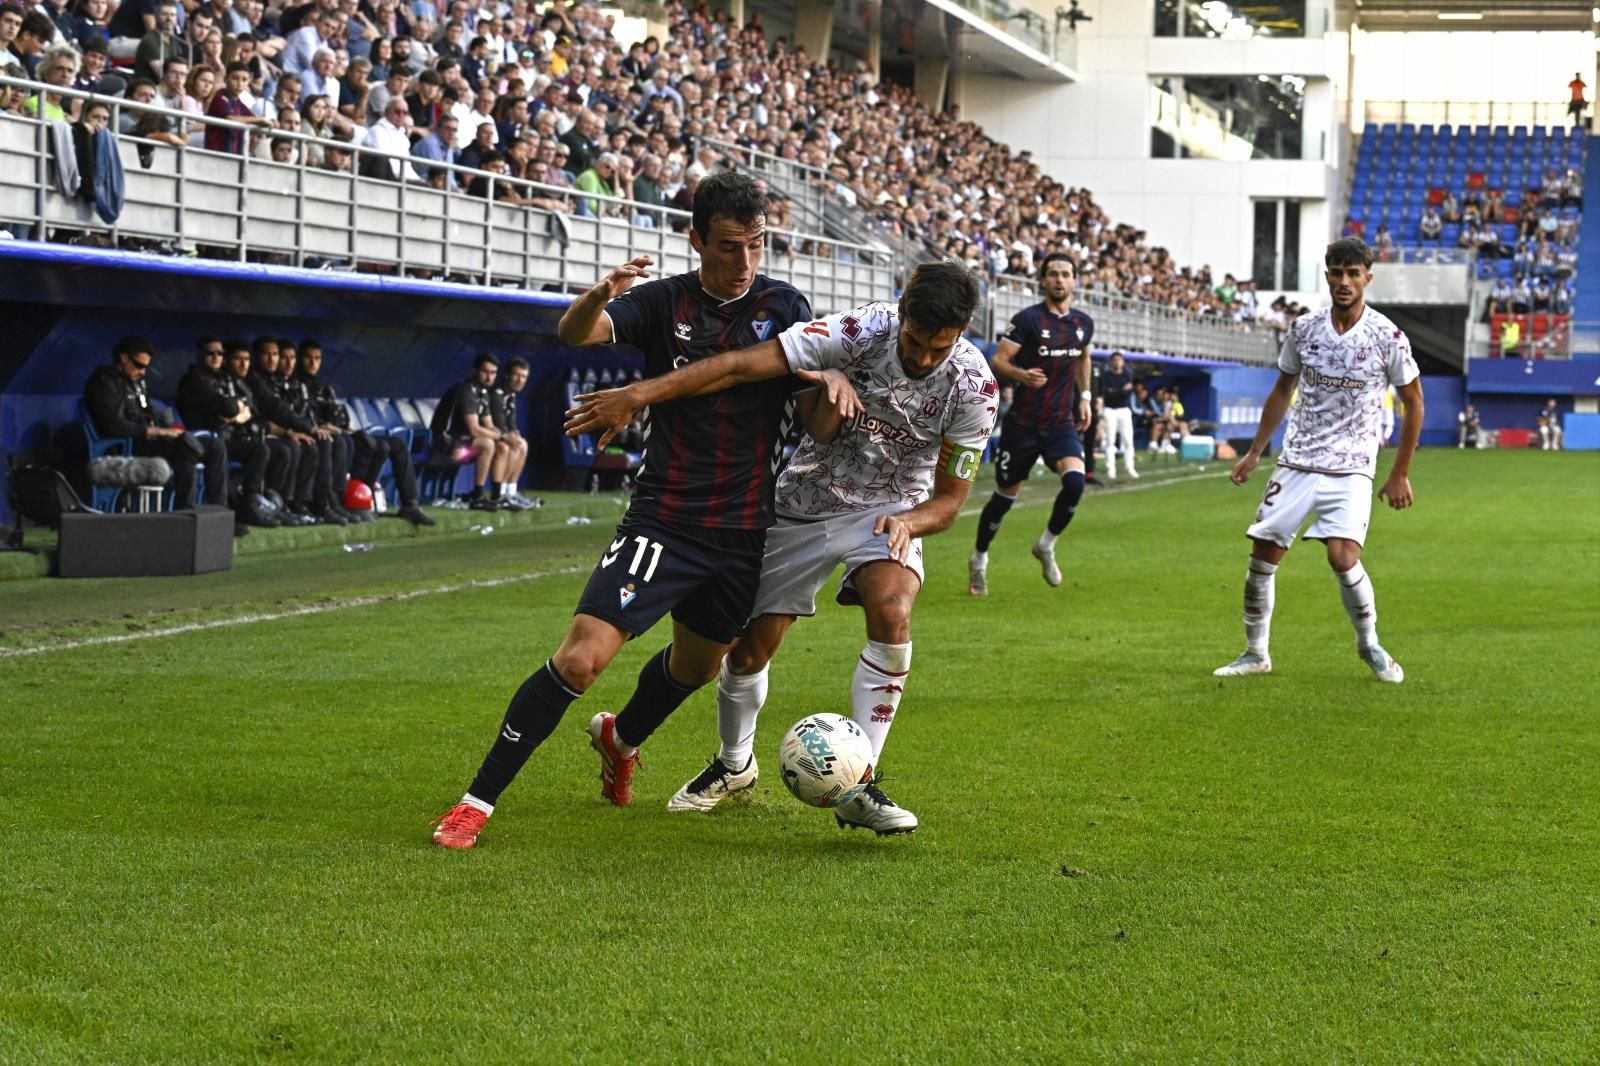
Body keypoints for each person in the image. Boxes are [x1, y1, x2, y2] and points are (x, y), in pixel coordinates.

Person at [430, 171, 814, 850]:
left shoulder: (785, 305)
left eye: (756, 244)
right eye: (729, 246)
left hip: (744, 531)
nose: (744, 261)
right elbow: (576, 333)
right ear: (695, 240)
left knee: (697, 668)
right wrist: (600, 295)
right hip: (664, 517)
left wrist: (831, 376)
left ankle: (620, 736)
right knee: (580, 660)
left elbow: (798, 380)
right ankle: (475, 803)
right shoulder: (666, 302)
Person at [569, 263, 997, 833]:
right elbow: (742, 365)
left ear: (963, 329)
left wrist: (910, 524)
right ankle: (732, 766)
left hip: (888, 512)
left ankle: (858, 783)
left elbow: (949, 501)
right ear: (900, 310)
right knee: (745, 654)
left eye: (936, 348)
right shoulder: (856, 332)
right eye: (914, 342)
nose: (922, 359)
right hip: (803, 502)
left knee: (892, 610)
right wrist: (640, 395)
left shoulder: (976, 387)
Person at [1214, 237, 1422, 684]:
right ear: (1326, 274)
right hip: (1298, 460)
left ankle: (1369, 644)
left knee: (1342, 556)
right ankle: (1255, 653)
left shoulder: (1387, 336)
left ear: (1368, 277)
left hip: (1352, 465)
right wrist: (1254, 452)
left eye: (1353, 273)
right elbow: (1281, 390)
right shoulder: (1304, 328)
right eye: (1336, 272)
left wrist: (1400, 472)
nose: (1344, 281)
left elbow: (1414, 401)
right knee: (1262, 556)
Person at [968, 252, 1093, 597]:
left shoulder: (1083, 324)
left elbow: (1083, 357)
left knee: (1075, 483)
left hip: (1059, 424)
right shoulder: (1028, 320)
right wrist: (1021, 374)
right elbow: (998, 360)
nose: (1059, 280)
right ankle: (979, 560)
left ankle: (1046, 545)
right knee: (1004, 498)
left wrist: (1085, 398)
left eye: (1066, 274)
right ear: (1042, 281)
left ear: (1074, 281)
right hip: (1022, 426)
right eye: (1053, 274)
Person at [83, 336, 228, 514]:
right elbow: (114, 426)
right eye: (139, 366)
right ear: (124, 358)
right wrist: (155, 431)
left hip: (152, 440)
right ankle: (184, 510)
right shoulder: (104, 383)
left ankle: (219, 510)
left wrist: (166, 426)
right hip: (130, 444)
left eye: (146, 367)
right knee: (186, 445)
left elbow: (146, 410)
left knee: (215, 445)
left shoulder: (137, 384)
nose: (143, 372)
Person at [177, 335, 275, 530]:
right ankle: (221, 514)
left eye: (220, 354)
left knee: (260, 449)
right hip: (200, 440)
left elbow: (246, 409)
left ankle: (250, 505)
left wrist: (232, 411)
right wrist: (231, 411)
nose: (216, 357)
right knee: (218, 447)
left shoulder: (224, 378)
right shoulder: (194, 379)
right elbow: (230, 407)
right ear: (199, 355)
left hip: (224, 436)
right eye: (210, 353)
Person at [430, 352, 508, 510]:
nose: (489, 377)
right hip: (444, 441)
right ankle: (477, 496)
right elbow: (474, 429)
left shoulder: (483, 392)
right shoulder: (466, 390)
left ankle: (497, 495)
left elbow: (489, 425)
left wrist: (500, 436)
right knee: (487, 444)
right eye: (485, 371)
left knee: (503, 447)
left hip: (462, 441)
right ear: (476, 371)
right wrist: (499, 435)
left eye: (493, 373)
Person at [488, 357, 539, 511]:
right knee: (508, 446)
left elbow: (510, 424)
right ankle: (500, 494)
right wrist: (509, 436)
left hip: (500, 434)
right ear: (507, 376)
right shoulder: (496, 394)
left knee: (522, 444)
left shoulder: (511, 395)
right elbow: (498, 423)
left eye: (524, 377)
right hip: (487, 434)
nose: (520, 380)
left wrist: (514, 434)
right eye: (517, 375)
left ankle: (511, 491)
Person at [1098, 351, 1137, 480]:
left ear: (1123, 362)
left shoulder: (1127, 375)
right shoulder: (1106, 376)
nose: (1117, 363)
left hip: (1124, 410)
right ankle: (1111, 469)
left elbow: (1127, 392)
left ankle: (1130, 467)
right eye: (1115, 360)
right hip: (1110, 410)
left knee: (1128, 440)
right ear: (1111, 362)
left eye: (1119, 360)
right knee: (1110, 441)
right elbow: (1106, 393)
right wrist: (1120, 390)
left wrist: (1115, 391)